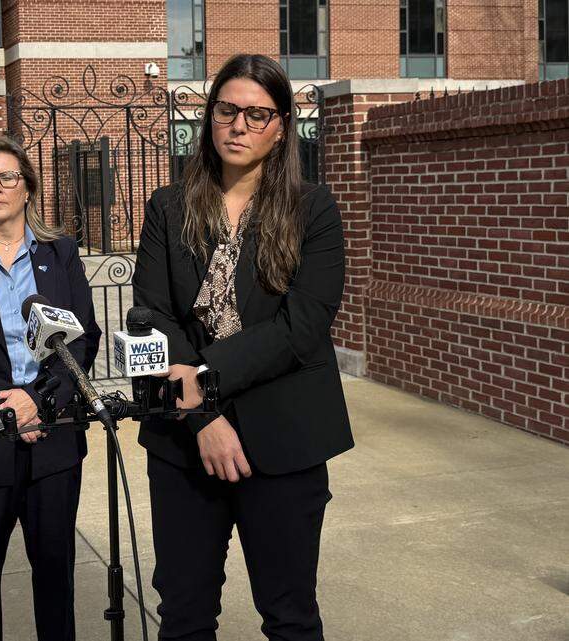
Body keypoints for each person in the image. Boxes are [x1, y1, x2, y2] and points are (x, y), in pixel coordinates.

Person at [132, 53, 354, 641]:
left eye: (258, 115)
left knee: (289, 617)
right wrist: (201, 415)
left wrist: (202, 378)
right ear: (209, 118)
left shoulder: (314, 211)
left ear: (282, 125)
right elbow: (151, 316)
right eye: (227, 110)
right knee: (183, 614)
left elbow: (301, 327)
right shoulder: (168, 207)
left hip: (283, 438)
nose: (239, 126)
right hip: (184, 439)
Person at [0, 137, 100, 641]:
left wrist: (38, 401)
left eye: (6, 177)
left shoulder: (59, 253)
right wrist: (3, 405)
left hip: (55, 436)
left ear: (28, 188)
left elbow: (82, 339)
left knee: (55, 573)